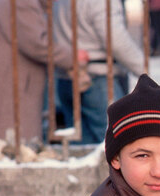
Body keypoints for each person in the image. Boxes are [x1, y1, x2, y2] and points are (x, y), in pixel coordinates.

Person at [0, 0, 85, 144]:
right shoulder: (22, 2)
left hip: (11, 83)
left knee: (8, 140)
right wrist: (72, 57)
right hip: (7, 88)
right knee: (5, 143)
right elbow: (36, 43)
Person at [53, 0, 144, 145]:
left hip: (68, 76)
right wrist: (143, 70)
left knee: (81, 150)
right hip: (97, 77)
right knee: (116, 145)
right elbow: (115, 40)